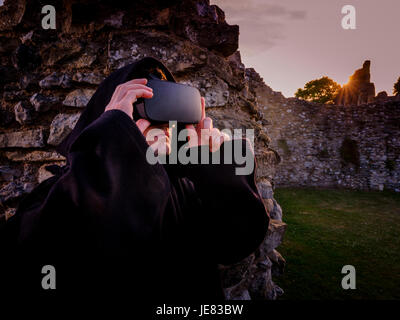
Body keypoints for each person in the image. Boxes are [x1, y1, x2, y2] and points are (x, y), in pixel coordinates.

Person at [2, 57, 269, 303]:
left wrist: (217, 168)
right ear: (107, 119)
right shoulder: (65, 188)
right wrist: (114, 147)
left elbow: (237, 241)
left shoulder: (187, 187)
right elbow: (30, 257)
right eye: (140, 115)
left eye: (166, 122)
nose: (162, 129)